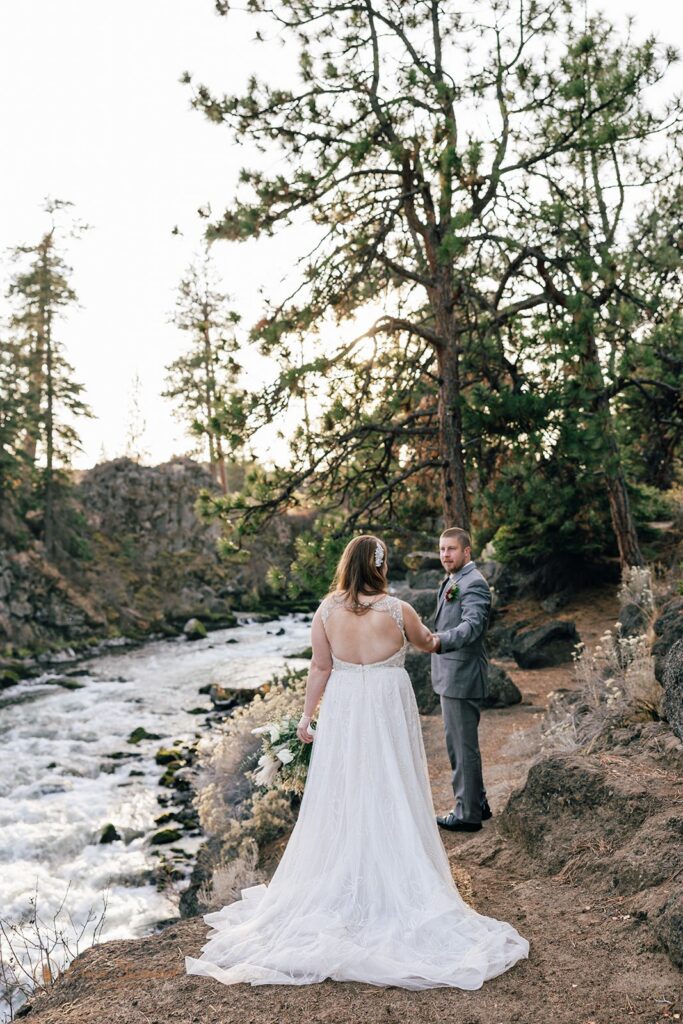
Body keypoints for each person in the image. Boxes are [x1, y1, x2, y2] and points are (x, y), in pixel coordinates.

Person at [185, 535, 529, 989]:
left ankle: (347, 872)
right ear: (380, 567)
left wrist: (307, 717)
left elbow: (320, 667)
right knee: (390, 782)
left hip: (345, 706)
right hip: (386, 703)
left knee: (344, 788)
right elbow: (427, 643)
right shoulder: (398, 610)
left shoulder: (327, 610)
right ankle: (392, 871)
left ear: (348, 565)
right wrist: (431, 636)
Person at [431, 528, 492, 832]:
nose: (445, 555)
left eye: (451, 549)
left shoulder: (474, 583)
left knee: (462, 747)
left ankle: (467, 814)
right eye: (442, 549)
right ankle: (477, 802)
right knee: (462, 744)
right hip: (452, 675)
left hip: (462, 675)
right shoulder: (453, 580)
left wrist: (439, 641)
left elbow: (472, 626)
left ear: (467, 551)